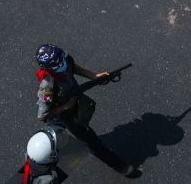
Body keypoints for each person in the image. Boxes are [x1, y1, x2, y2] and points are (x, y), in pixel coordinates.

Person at [34, 44, 139, 178]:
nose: (63, 65)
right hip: (63, 115)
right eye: (59, 64)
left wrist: (95, 77)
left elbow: (74, 68)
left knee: (65, 142)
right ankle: (119, 166)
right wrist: (67, 106)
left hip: (72, 103)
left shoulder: (65, 60)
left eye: (62, 60)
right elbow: (42, 116)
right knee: (90, 141)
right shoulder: (47, 86)